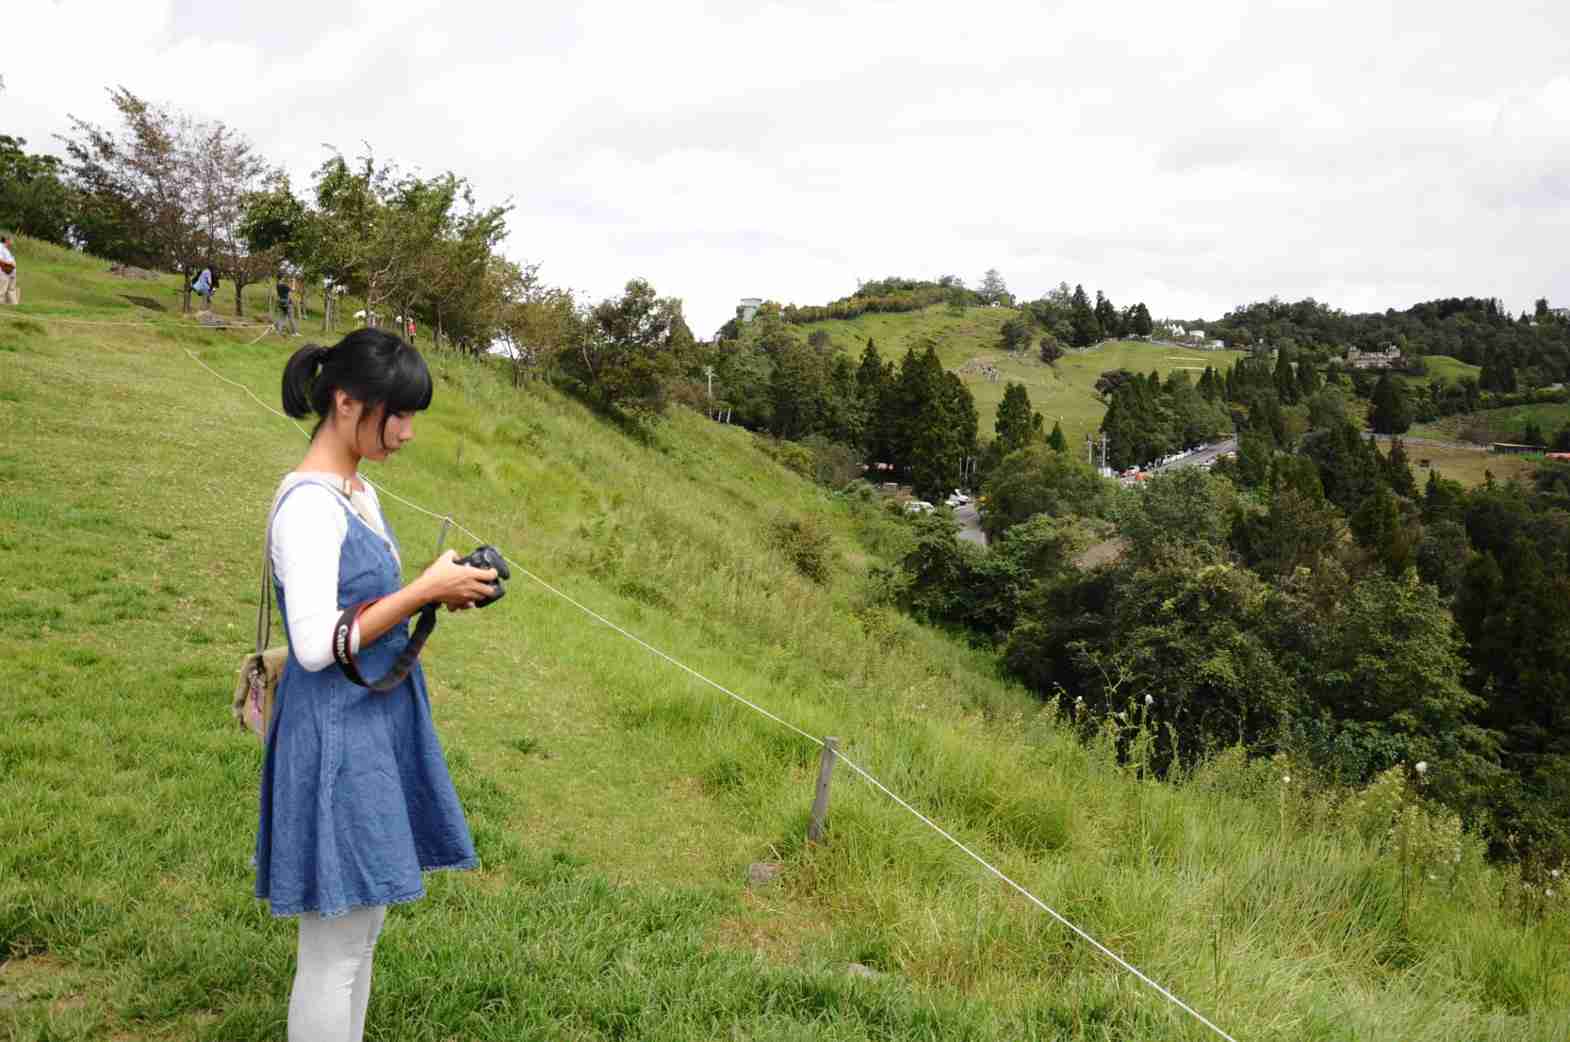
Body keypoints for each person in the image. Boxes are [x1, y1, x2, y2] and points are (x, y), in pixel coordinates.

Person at [258, 329, 499, 1041]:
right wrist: (422, 586)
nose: (408, 432)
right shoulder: (308, 504)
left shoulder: (355, 491)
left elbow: (359, 608)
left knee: (361, 937)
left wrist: (435, 594)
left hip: (369, 723)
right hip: (334, 731)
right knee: (333, 951)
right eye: (397, 413)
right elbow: (310, 645)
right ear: (346, 402)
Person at [0, 235, 18, 306]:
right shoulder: (0, 247)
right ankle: (1, 305)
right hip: (4, 272)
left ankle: (13, 305)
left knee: (11, 290)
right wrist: (9, 263)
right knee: (2, 290)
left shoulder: (7, 249)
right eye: (11, 240)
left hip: (11, 273)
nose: (12, 242)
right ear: (7, 240)